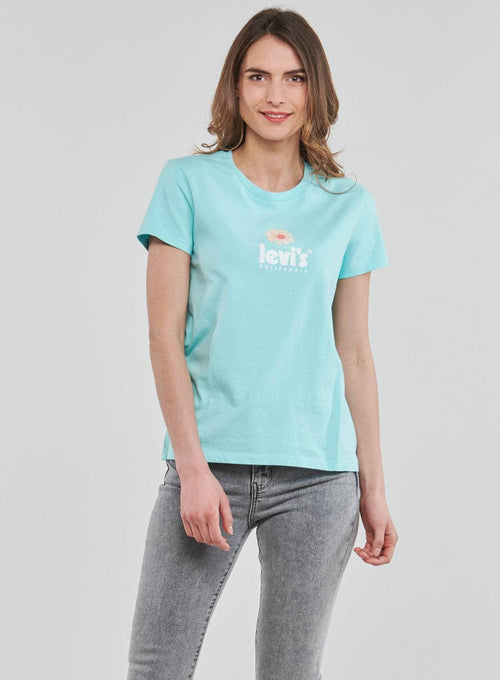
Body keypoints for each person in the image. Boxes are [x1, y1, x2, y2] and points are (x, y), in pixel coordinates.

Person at [127, 7, 398, 680]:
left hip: (318, 478)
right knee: (157, 666)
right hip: (209, 465)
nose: (275, 95)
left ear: (315, 90)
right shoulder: (187, 185)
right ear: (235, 86)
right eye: (258, 76)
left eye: (294, 77)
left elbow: (356, 354)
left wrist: (373, 486)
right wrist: (192, 468)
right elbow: (163, 336)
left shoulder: (348, 205)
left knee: (289, 671)